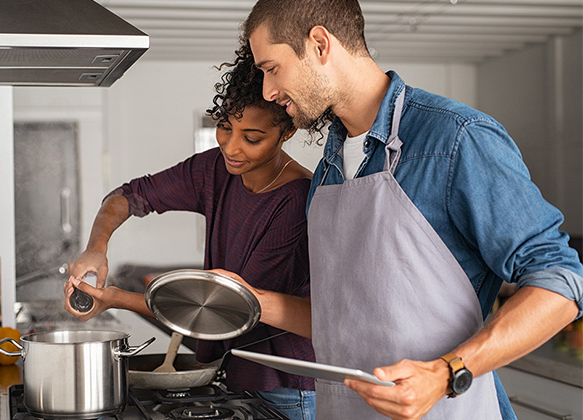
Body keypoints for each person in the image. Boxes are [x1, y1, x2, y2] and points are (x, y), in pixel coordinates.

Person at [211, 1, 583, 419]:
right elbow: (348, 322)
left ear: (319, 44)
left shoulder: (455, 140)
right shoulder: (327, 172)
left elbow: (560, 282)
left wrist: (447, 373)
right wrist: (250, 299)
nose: (267, 91)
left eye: (271, 68)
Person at [63, 50, 317, 420]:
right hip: (237, 374)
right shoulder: (215, 168)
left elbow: (224, 311)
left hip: (286, 385)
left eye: (253, 138)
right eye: (225, 127)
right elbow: (129, 196)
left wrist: (116, 297)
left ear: (288, 132)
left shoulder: (295, 201)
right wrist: (95, 247)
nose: (231, 147)